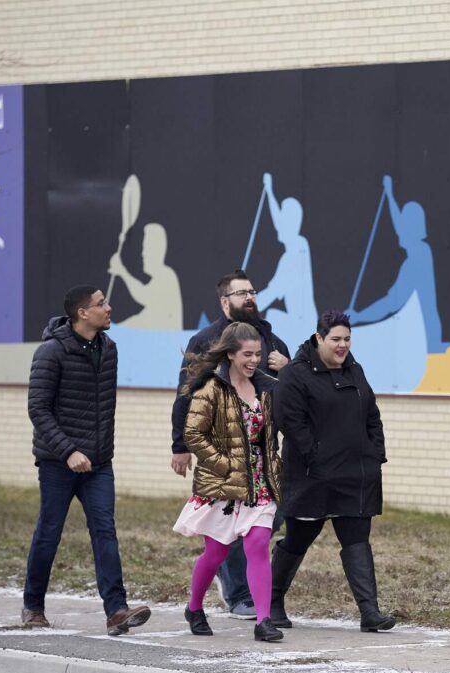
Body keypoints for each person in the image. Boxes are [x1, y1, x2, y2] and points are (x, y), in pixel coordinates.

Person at [23, 285, 151, 636]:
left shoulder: (108, 349)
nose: (108, 308)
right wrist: (68, 451)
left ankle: (116, 611)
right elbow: (38, 409)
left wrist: (97, 452)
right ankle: (33, 606)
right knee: (49, 533)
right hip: (58, 463)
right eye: (101, 304)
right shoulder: (51, 352)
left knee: (105, 531)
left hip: (98, 464)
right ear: (83, 313)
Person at [170, 269, 290, 619]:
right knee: (225, 542)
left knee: (261, 530)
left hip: (263, 461)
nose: (250, 297)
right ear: (225, 302)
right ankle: (234, 593)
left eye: (252, 291)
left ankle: (261, 613)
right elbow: (185, 396)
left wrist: (289, 368)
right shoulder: (204, 342)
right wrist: (180, 445)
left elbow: (291, 394)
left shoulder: (271, 340)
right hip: (224, 463)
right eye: (242, 293)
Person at [270, 310, 396, 632]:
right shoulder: (295, 375)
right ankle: (272, 601)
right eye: (336, 339)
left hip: (356, 476)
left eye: (347, 339)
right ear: (319, 338)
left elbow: (372, 415)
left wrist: (374, 454)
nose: (342, 346)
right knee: (298, 539)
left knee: (357, 540)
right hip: (312, 477)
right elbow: (290, 422)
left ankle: (370, 613)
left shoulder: (355, 370)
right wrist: (316, 456)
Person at [346, 174, 446, 353]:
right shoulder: (422, 250)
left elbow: (391, 303)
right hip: (424, 330)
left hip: (423, 336)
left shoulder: (415, 261)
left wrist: (360, 316)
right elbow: (400, 224)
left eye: (404, 227)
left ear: (411, 230)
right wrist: (390, 195)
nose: (399, 231)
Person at [256, 173, 317, 352]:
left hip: (302, 326)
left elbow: (271, 293)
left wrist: (245, 307)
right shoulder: (299, 244)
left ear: (290, 224)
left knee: (269, 320)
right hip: (301, 322)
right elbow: (279, 222)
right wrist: (269, 191)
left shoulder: (294, 256)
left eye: (283, 220)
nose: (278, 226)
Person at [107, 222, 184, 329]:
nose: (143, 253)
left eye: (146, 248)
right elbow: (140, 319)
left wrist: (122, 271)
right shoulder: (159, 280)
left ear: (157, 250)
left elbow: (144, 296)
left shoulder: (167, 276)